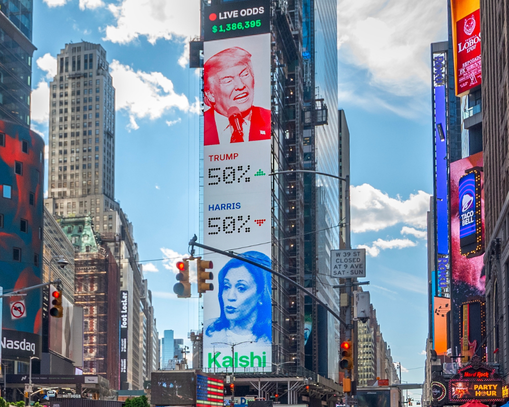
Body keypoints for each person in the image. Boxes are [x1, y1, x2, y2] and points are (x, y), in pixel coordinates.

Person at [203, 47, 271, 145]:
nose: (241, 85)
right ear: (210, 94)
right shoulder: (199, 126)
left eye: (245, 74)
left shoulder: (268, 118)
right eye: (228, 81)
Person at [205, 251, 272, 345]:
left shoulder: (271, 338)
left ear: (261, 295)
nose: (230, 297)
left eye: (241, 288)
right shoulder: (208, 330)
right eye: (226, 287)